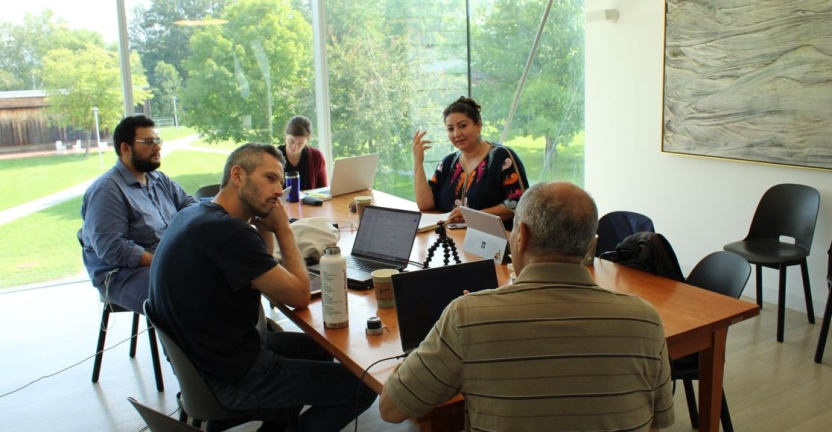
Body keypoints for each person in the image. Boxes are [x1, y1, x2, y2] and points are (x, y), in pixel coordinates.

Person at [379, 181, 675, 431]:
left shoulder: (467, 317)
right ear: (589, 246)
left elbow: (391, 409)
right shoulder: (646, 320)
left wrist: (447, 341)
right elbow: (660, 419)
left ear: (522, 237)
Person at [147, 143, 376, 431]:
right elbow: (299, 296)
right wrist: (282, 230)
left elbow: (263, 269)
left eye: (281, 182)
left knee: (317, 347)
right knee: (363, 387)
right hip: (232, 377)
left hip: (204, 363)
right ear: (238, 175)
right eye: (269, 178)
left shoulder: (196, 215)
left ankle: (278, 423)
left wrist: (264, 229)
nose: (280, 190)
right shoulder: (228, 233)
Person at [79, 115, 196, 314]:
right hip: (122, 273)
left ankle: (252, 341)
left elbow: (189, 207)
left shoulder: (158, 179)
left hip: (164, 259)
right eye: (148, 142)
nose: (157, 147)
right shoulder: (107, 190)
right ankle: (187, 345)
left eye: (157, 141)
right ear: (125, 149)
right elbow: (112, 248)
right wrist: (164, 259)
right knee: (184, 295)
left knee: (226, 275)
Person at [412, 96, 529, 228]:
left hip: (490, 242)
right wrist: (418, 162)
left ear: (478, 125)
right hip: (449, 240)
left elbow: (520, 204)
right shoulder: (448, 162)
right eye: (450, 129)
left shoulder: (502, 158)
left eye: (462, 126)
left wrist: (473, 216)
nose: (456, 134)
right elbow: (425, 205)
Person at [277, 115, 327, 191]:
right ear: (285, 135)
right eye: (291, 141)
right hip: (281, 203)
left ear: (307, 141)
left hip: (309, 203)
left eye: (300, 144)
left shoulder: (316, 157)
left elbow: (323, 191)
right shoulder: (274, 157)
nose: (294, 147)